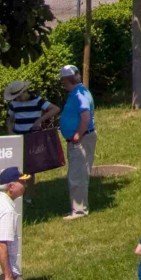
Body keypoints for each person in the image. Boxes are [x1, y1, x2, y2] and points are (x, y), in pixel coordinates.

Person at [59, 63, 97, 218]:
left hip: (81, 139)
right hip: (79, 138)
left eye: (63, 81)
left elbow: (85, 116)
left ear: (67, 80)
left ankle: (79, 210)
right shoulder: (77, 92)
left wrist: (77, 135)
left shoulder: (79, 94)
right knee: (76, 173)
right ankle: (78, 207)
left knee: (77, 174)